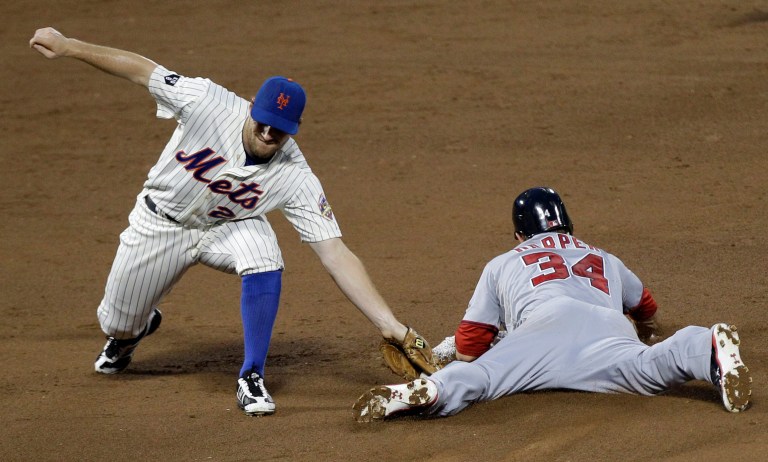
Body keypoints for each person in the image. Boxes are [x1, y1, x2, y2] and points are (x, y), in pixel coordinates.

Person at [29, 27, 428, 417]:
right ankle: (133, 331)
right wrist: (69, 47)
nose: (268, 133)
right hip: (159, 224)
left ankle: (252, 374)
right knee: (117, 322)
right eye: (263, 121)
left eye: (281, 130)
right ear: (252, 104)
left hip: (227, 226)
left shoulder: (296, 176)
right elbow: (141, 69)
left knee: (265, 254)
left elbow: (335, 253)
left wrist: (389, 324)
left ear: (296, 129)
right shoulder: (207, 101)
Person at [353, 187, 753, 421]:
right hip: (608, 329)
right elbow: (646, 306)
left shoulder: (504, 262)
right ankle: (704, 345)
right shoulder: (604, 256)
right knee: (650, 368)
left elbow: (472, 342)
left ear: (518, 233)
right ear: (568, 224)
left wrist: (456, 351)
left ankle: (428, 391)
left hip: (544, 329)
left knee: (484, 377)